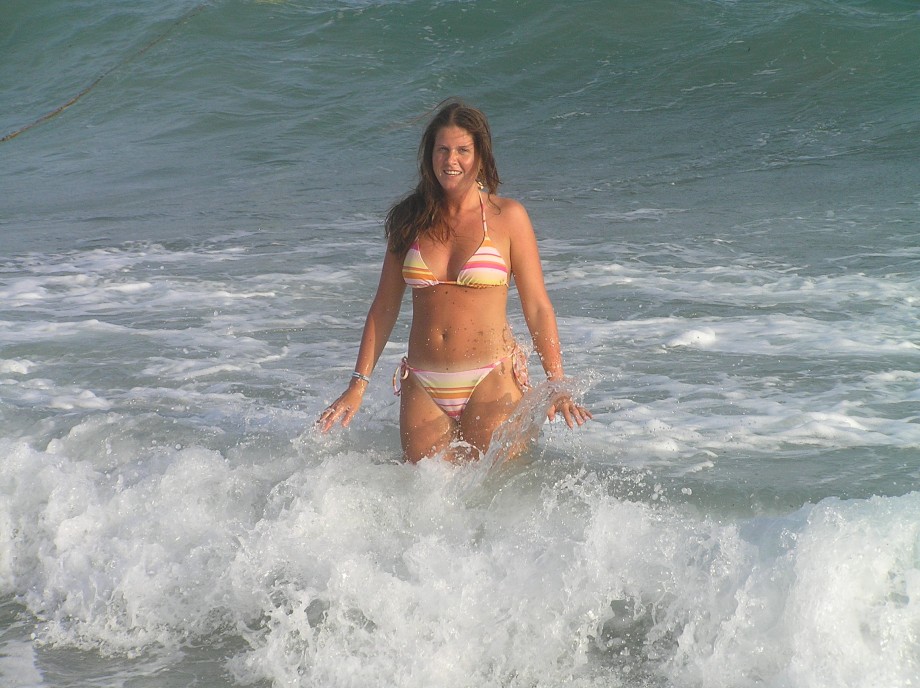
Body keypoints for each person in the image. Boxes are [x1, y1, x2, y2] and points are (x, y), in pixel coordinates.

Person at [317, 99, 590, 462]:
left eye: (463, 150)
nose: (451, 160)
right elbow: (384, 307)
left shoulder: (508, 217)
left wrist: (557, 383)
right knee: (426, 505)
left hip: (492, 379)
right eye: (442, 150)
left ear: (480, 155)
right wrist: (357, 385)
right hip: (423, 384)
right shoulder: (409, 220)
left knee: (493, 498)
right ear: (429, 156)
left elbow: (537, 306)